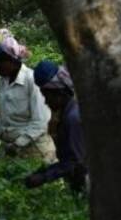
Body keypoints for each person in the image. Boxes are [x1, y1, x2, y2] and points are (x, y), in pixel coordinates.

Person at [0, 32, 55, 161]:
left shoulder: (32, 80)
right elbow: (1, 116)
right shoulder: (4, 81)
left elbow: (41, 121)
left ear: (11, 60)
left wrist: (18, 143)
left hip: (35, 150)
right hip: (11, 148)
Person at [25, 60, 86, 193]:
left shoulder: (73, 118)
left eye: (48, 96)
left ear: (61, 93)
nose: (46, 101)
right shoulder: (65, 114)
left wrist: (44, 177)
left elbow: (74, 162)